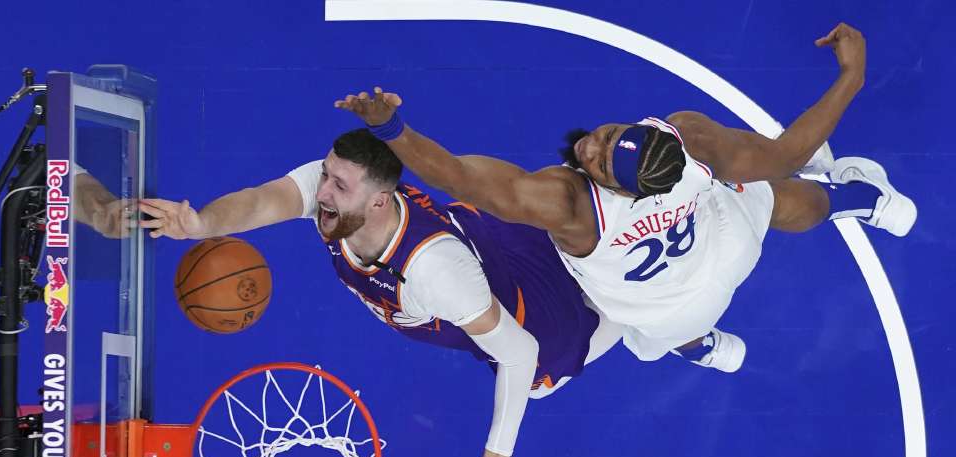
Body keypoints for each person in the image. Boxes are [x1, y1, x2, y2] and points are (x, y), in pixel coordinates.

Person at [334, 23, 916, 373]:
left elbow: (461, 179)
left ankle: (704, 350)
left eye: (602, 162)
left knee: (673, 326)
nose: (590, 148)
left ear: (628, 188)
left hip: (660, 312)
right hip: (716, 249)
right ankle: (859, 199)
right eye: (608, 138)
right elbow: (788, 152)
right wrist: (852, 78)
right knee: (788, 200)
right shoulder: (689, 142)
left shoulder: (570, 206)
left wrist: (392, 130)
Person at [138, 129, 621, 457]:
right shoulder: (336, 198)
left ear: (378, 201)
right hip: (498, 247)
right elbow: (262, 201)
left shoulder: (432, 271)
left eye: (338, 185)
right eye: (325, 175)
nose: (322, 192)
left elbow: (520, 352)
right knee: (577, 249)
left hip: (529, 316)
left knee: (558, 365)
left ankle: (663, 322)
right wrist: (202, 223)